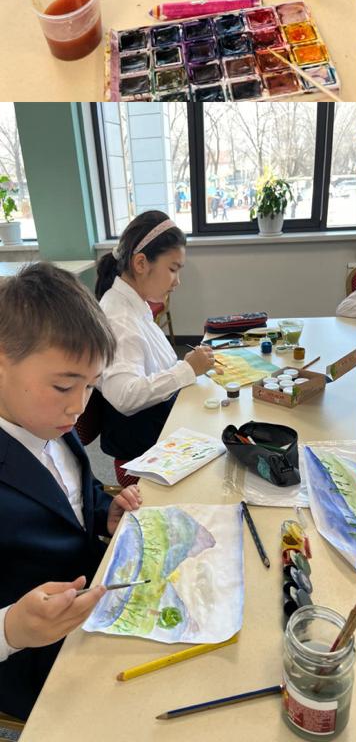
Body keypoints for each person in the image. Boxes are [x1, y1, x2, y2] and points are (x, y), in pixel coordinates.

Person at [0, 263, 141, 720]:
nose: (79, 406)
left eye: (90, 386)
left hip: (93, 599)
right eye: (64, 385)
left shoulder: (49, 421)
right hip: (35, 656)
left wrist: (103, 512)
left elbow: (71, 492)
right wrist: (10, 628)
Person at [95, 211, 214, 473]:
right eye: (172, 269)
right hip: (144, 446)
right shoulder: (119, 318)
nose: (177, 281)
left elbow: (153, 366)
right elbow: (124, 396)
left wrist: (187, 367)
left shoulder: (134, 304)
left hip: (156, 425)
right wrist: (187, 369)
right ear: (141, 263)